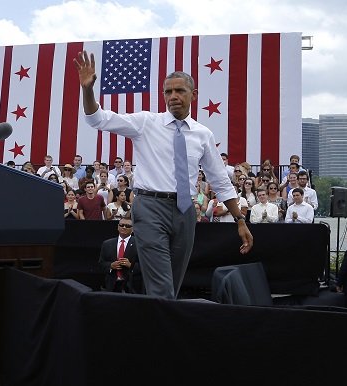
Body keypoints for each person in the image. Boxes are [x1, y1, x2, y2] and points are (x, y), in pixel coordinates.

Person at [74, 51, 252, 299]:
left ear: (194, 95)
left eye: (180, 90)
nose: (173, 97)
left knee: (173, 282)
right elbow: (98, 119)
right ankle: (164, 333)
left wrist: (240, 220)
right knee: (161, 285)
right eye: (168, 92)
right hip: (149, 207)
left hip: (185, 211)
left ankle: (153, 323)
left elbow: (220, 180)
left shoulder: (203, 134)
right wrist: (87, 90)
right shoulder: (146, 122)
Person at [98, 217, 141, 293]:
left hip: (131, 286)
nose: (124, 227)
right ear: (118, 227)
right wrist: (111, 266)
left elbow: (145, 266)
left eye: (127, 226)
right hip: (112, 286)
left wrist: (131, 266)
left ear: (133, 229)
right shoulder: (107, 244)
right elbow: (101, 263)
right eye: (122, 225)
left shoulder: (139, 245)